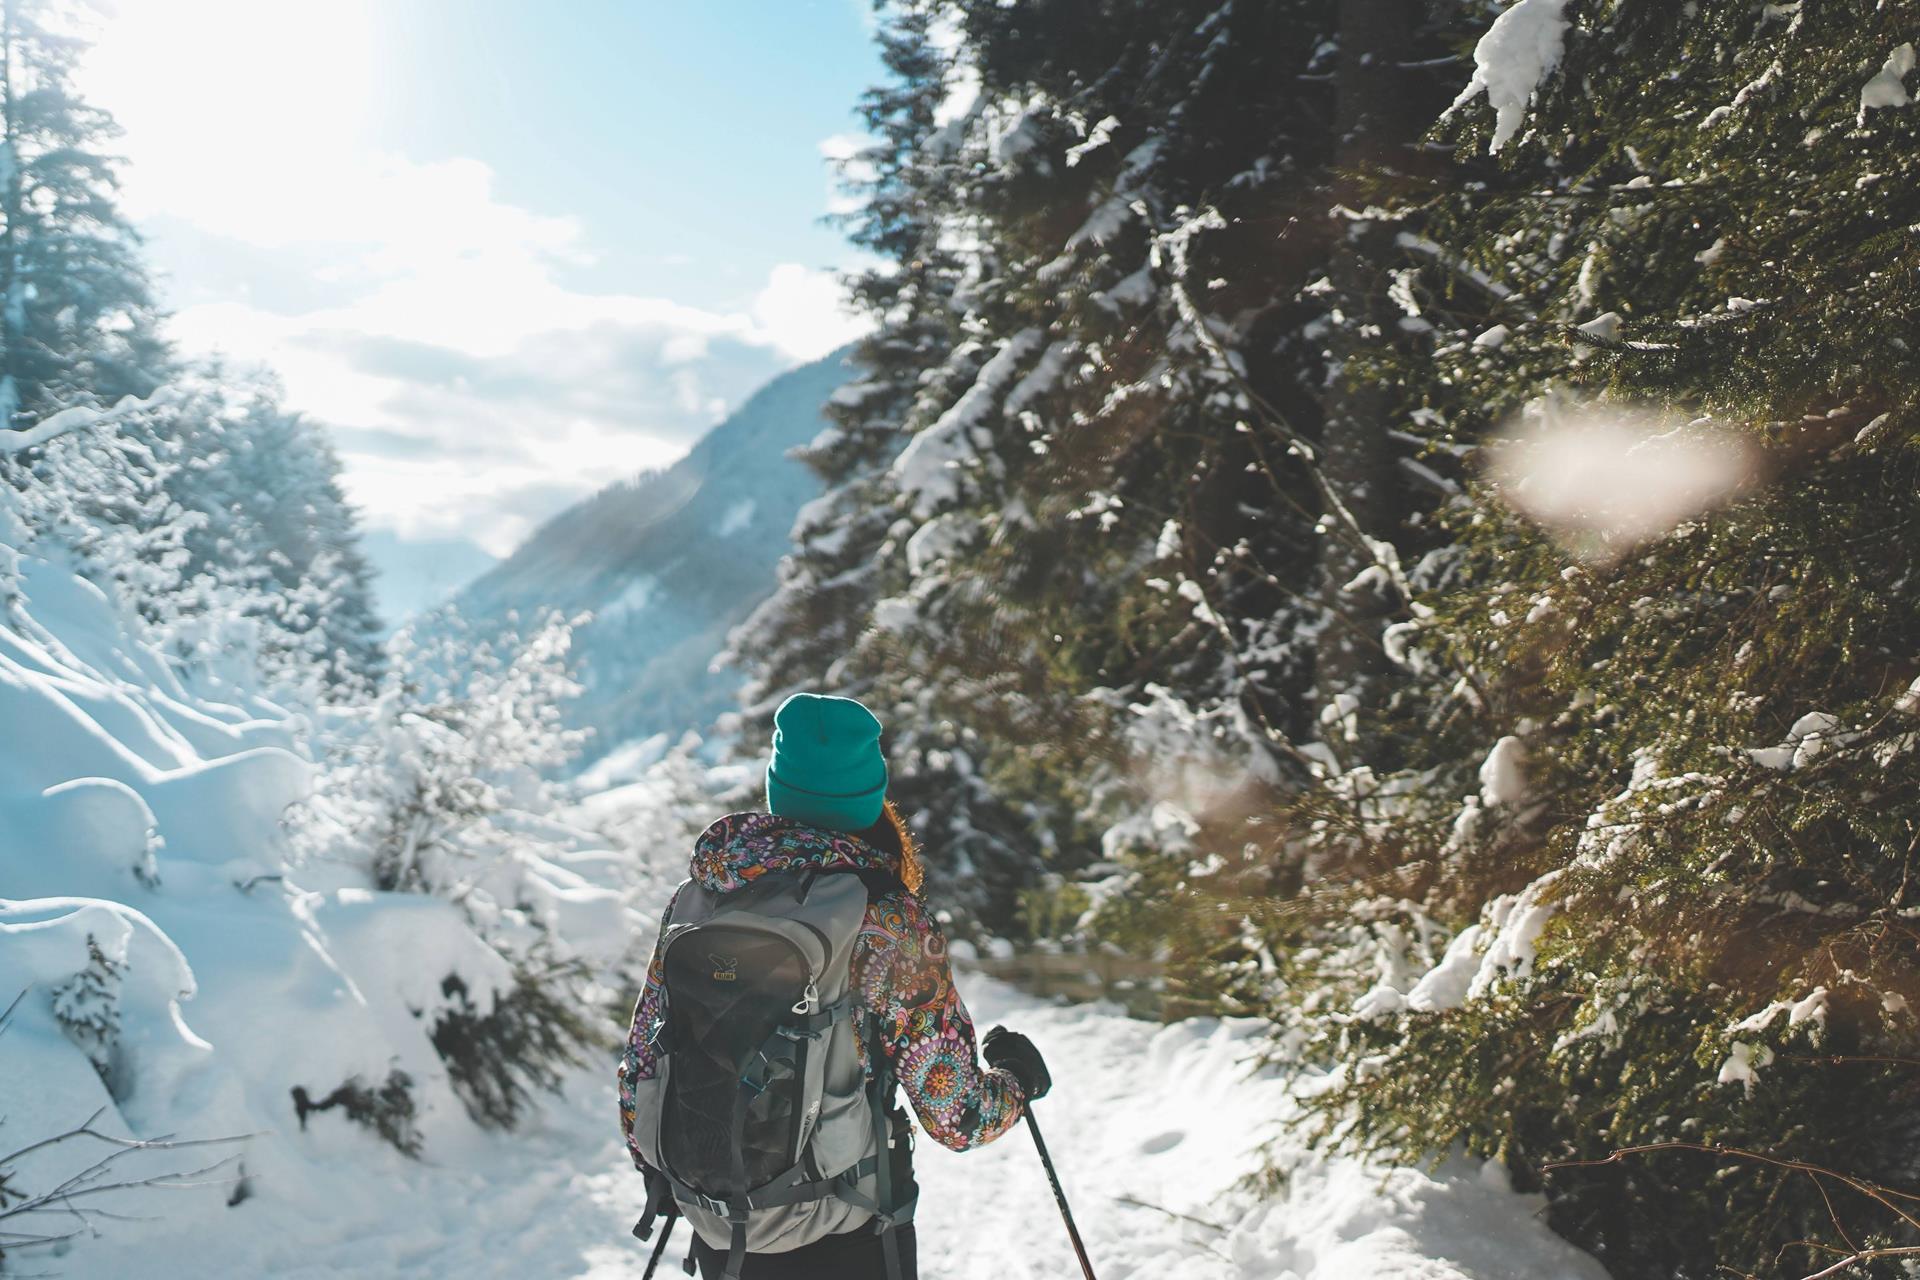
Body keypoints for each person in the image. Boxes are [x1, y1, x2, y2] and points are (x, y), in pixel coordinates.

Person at [617, 693, 1053, 1280]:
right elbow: (957, 1114)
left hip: (721, 1227)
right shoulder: (884, 915)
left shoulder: (701, 894)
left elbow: (642, 1062)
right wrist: (1016, 1082)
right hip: (848, 1233)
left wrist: (692, 1167)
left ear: (780, 786)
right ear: (869, 796)